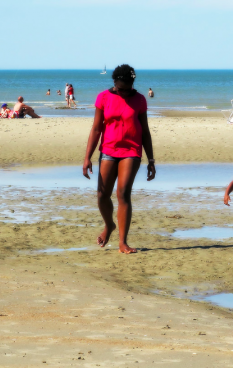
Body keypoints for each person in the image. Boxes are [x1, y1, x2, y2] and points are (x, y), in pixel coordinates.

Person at [82, 64, 156, 254]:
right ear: (114, 82)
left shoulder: (139, 100)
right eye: (120, 88)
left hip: (132, 150)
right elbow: (96, 128)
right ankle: (109, 226)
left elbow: (145, 131)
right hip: (108, 150)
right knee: (102, 195)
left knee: (123, 193)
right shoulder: (104, 97)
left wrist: (152, 160)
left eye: (127, 88)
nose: (123, 92)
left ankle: (122, 242)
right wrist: (87, 157)